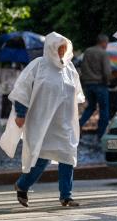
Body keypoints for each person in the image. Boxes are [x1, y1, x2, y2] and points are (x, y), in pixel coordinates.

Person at [8, 32, 85, 207]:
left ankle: (66, 195)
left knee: (67, 155)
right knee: (41, 157)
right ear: (51, 48)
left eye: (65, 48)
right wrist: (20, 114)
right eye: (59, 48)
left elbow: (77, 94)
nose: (62, 51)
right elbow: (22, 90)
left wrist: (76, 112)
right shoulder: (38, 66)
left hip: (64, 122)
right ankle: (22, 185)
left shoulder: (70, 68)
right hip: (43, 121)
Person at [79, 34, 112, 141]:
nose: (107, 45)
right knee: (104, 110)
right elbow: (107, 72)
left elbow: (82, 67)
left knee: (90, 107)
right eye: (106, 43)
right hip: (100, 85)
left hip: (88, 85)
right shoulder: (103, 53)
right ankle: (100, 135)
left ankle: (78, 125)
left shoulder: (87, 51)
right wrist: (108, 82)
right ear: (103, 42)